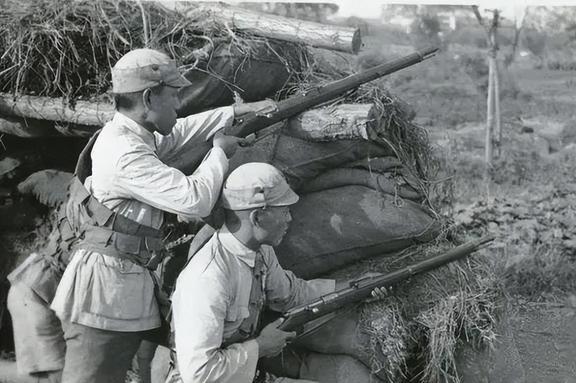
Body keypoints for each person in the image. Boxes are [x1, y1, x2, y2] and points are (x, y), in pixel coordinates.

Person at [48, 48, 276, 383]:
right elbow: (194, 200)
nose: (178, 104)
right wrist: (219, 153)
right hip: (105, 293)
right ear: (148, 97)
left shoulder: (132, 135)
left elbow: (179, 130)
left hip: (120, 283)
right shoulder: (124, 152)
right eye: (173, 96)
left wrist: (236, 112)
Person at [171, 162, 386, 383]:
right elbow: (198, 374)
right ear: (257, 217)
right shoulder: (208, 278)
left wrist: (358, 286)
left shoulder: (260, 252)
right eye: (283, 211)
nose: (289, 219)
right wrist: (261, 347)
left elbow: (292, 295)